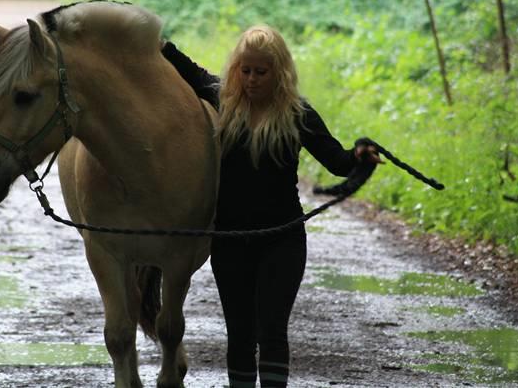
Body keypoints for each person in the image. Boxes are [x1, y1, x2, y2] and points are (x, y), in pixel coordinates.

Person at [161, 25, 381, 388]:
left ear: (279, 72)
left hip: (282, 240)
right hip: (230, 240)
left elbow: (339, 162)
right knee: (241, 336)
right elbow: (185, 67)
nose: (251, 79)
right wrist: (153, 41)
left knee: (273, 332)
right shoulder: (223, 100)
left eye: (261, 72)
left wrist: (361, 152)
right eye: (245, 70)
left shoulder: (298, 114)